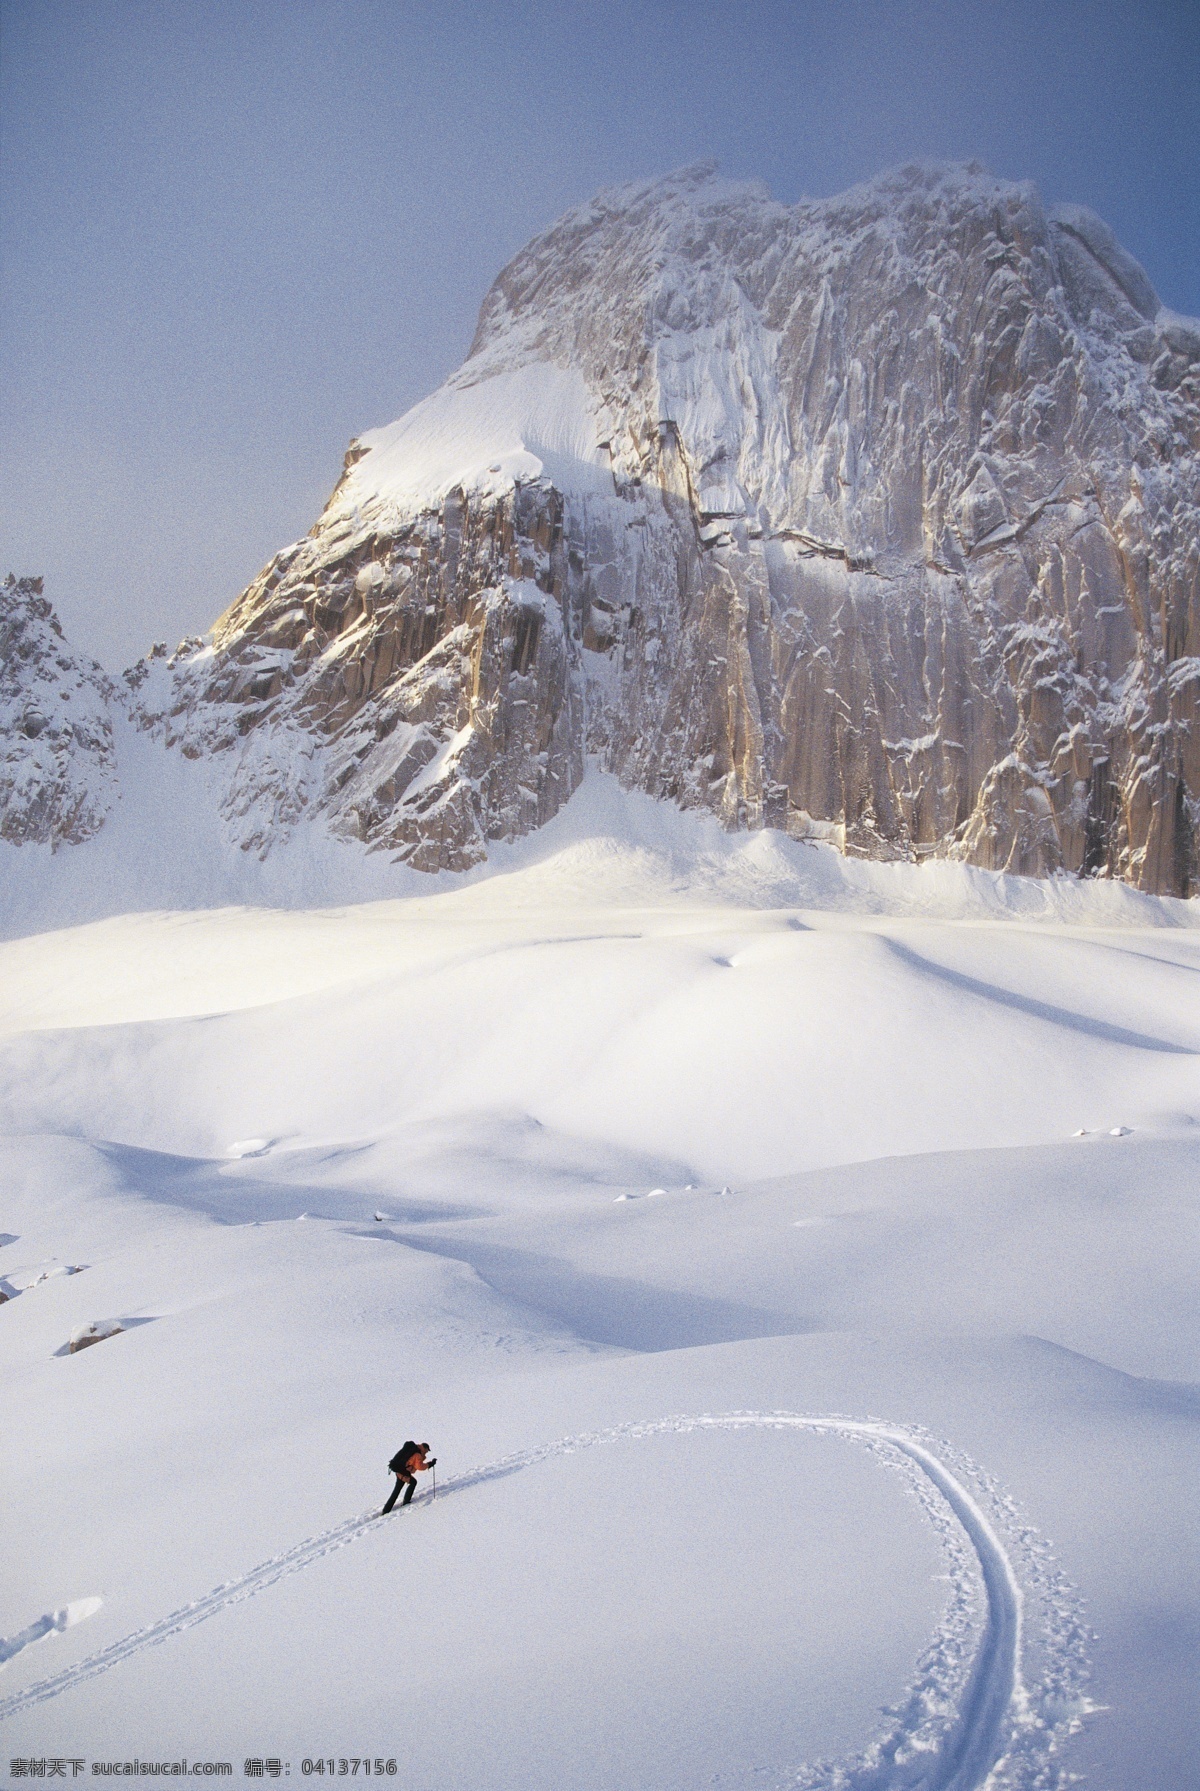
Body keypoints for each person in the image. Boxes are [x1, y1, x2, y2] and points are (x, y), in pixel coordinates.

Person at [382, 1440, 436, 1513]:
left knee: (396, 1491)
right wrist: (430, 1464)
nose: (427, 1452)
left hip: (400, 1471)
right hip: (403, 1472)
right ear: (424, 1448)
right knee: (413, 1482)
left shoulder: (414, 1450)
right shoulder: (417, 1454)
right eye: (427, 1451)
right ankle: (406, 1502)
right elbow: (420, 1466)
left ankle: (386, 1510)